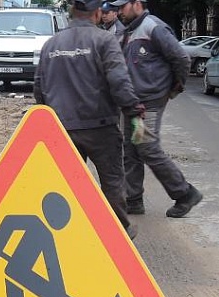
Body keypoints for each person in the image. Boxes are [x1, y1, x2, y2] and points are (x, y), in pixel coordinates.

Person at [34, 0, 144, 240]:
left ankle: (64, 234)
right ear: (96, 13)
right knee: (112, 181)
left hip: (60, 129)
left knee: (64, 182)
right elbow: (119, 81)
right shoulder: (105, 41)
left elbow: (39, 89)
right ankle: (119, 233)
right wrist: (134, 111)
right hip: (100, 127)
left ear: (72, 13)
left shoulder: (51, 44)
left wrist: (46, 120)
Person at [109, 0, 203, 218]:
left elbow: (181, 58)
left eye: (123, 6)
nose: (119, 11)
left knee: (147, 146)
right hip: (132, 103)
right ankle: (133, 200)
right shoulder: (129, 31)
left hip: (148, 103)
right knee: (131, 149)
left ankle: (185, 193)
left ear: (137, 4)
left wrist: (173, 88)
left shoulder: (154, 27)